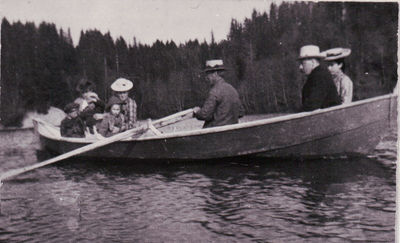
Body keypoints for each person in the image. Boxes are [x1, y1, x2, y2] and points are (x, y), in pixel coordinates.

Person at [193, 59, 244, 128]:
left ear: (215, 74)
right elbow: (240, 112)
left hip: (214, 134)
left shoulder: (214, 91)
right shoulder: (233, 90)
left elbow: (205, 114)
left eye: (208, 74)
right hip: (231, 132)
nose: (206, 78)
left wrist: (197, 112)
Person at [298, 45, 341, 111]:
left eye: (302, 63)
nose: (300, 67)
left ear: (312, 62)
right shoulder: (317, 75)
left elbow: (312, 105)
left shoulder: (320, 76)